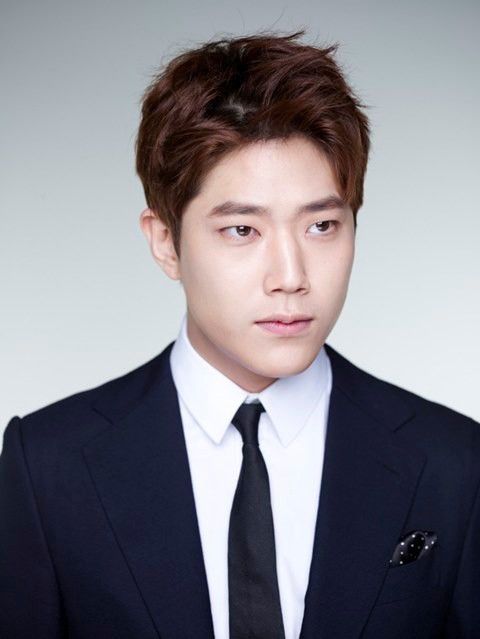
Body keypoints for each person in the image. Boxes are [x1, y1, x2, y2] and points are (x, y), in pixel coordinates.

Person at [0, 29, 478, 639]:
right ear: (165, 242)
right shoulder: (49, 465)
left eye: (322, 225)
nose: (291, 276)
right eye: (242, 231)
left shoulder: (453, 462)